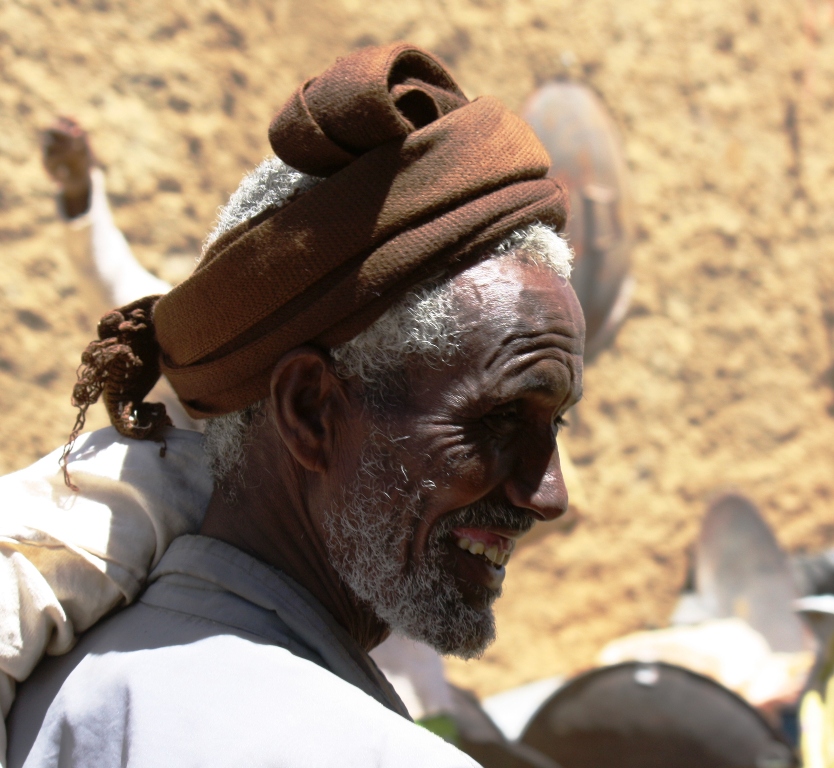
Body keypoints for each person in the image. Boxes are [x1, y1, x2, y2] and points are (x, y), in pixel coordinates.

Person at [5, 42, 583, 767]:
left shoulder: (59, 695)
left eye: (554, 423)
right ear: (309, 410)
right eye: (499, 419)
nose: (551, 496)